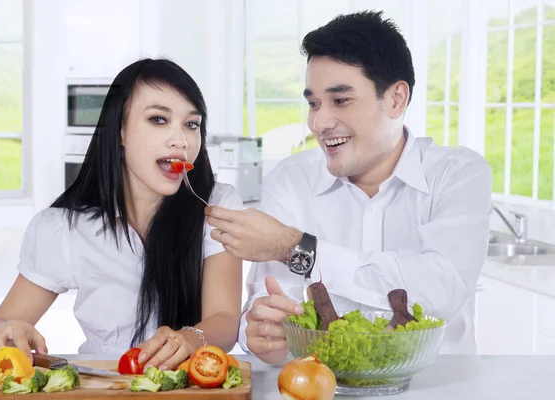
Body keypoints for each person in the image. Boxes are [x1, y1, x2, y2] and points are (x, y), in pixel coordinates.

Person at [205, 11, 492, 364]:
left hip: (434, 388)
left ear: (396, 99)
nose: (319, 122)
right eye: (313, 103)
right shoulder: (291, 180)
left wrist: (297, 247)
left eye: (340, 100)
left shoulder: (458, 173)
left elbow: (441, 290)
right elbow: (265, 308)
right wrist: (265, 332)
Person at [0, 58, 243, 371]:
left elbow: (225, 320)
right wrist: (8, 333)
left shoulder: (216, 206)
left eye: (192, 124)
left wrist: (189, 339)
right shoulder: (64, 228)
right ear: (119, 132)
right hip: (105, 384)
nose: (181, 140)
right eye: (158, 119)